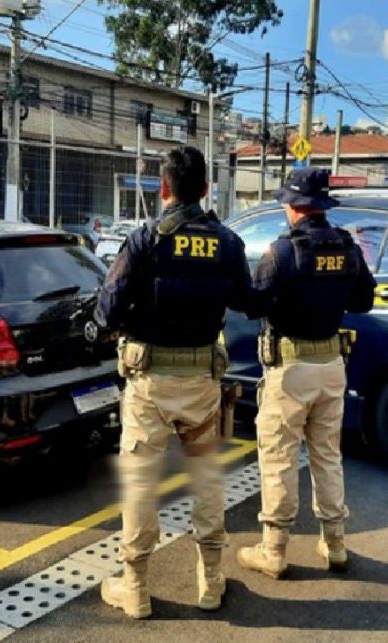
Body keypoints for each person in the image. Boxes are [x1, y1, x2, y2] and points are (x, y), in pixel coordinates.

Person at [95, 146, 251, 618]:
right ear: (205, 190)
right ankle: (211, 580)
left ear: (164, 188)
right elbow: (246, 298)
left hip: (150, 385)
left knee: (141, 483)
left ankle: (137, 588)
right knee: (205, 477)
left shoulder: (144, 240)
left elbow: (107, 310)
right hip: (203, 382)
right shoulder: (227, 242)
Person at [237, 167, 376, 579]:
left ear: (294, 207)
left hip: (291, 368)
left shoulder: (283, 251)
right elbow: (364, 301)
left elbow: (252, 304)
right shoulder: (346, 247)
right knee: (328, 456)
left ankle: (274, 550)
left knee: (279, 458)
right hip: (332, 367)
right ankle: (335, 544)